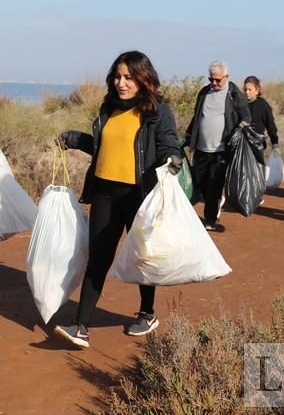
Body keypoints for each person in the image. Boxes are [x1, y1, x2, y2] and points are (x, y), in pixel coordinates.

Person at [55, 51, 182, 348]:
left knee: (142, 255)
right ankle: (81, 326)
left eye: (128, 77)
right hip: (104, 192)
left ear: (143, 78)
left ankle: (147, 314)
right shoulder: (108, 108)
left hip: (138, 194)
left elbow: (168, 143)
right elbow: (104, 148)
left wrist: (173, 157)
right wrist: (75, 139)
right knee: (98, 257)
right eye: (117, 76)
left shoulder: (157, 111)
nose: (121, 83)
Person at [184, 61, 250, 232]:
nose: (214, 83)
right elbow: (197, 117)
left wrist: (240, 129)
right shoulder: (204, 93)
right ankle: (214, 203)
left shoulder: (234, 94)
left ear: (226, 77)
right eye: (211, 79)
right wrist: (188, 136)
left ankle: (211, 220)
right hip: (201, 148)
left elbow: (246, 116)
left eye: (218, 80)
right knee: (198, 183)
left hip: (221, 151)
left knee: (214, 184)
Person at [243, 76, 279, 165]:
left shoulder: (263, 106)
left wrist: (275, 144)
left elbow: (270, 125)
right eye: (245, 89)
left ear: (257, 90)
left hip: (257, 147)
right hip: (242, 146)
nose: (247, 92)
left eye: (250, 90)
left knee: (256, 173)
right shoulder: (241, 105)